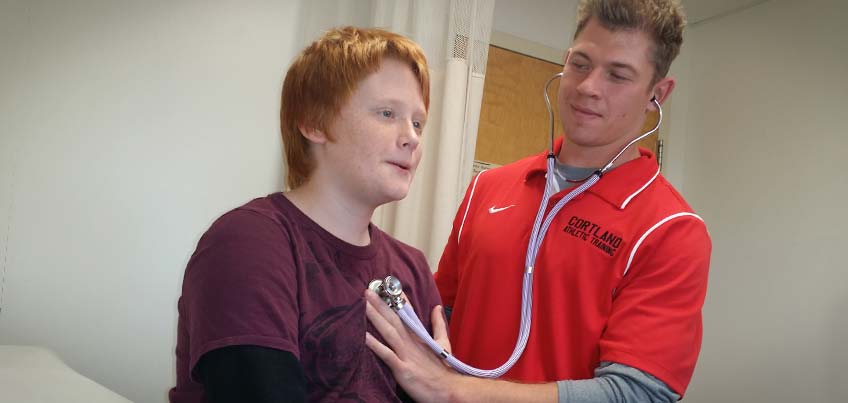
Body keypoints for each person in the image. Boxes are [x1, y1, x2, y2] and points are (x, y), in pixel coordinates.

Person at [364, 0, 711, 402]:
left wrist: (453, 391)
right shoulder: (488, 187)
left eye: (618, 75)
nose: (588, 87)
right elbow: (440, 319)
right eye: (580, 63)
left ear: (657, 94)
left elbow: (634, 393)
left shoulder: (671, 230)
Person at [169, 26, 442, 403]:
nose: (411, 137)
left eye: (418, 123)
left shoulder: (413, 270)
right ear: (313, 122)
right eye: (386, 113)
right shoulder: (248, 244)